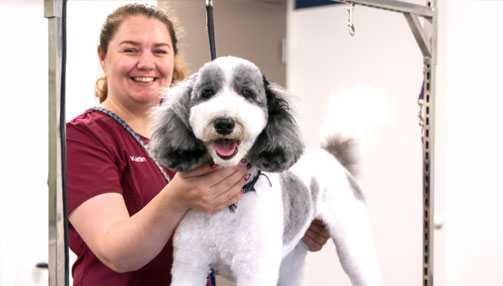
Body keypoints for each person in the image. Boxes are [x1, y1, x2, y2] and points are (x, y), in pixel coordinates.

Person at [65, 3, 330, 286]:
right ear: (103, 57)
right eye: (130, 50)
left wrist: (293, 225)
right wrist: (177, 198)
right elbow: (117, 254)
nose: (146, 63)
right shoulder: (83, 138)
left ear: (173, 59)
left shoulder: (206, 140)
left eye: (159, 51)